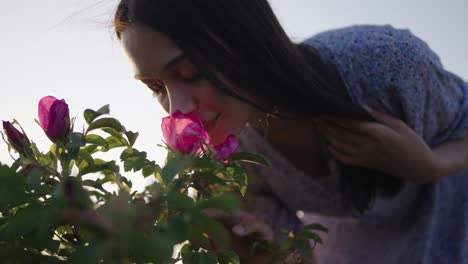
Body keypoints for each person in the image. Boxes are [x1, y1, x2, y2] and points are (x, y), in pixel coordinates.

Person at [114, 0, 468, 263]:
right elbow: (298, 256)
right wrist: (259, 253)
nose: (176, 108)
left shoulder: (383, 64)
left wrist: (430, 165)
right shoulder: (236, 156)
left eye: (190, 72)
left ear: (244, 41)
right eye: (156, 87)